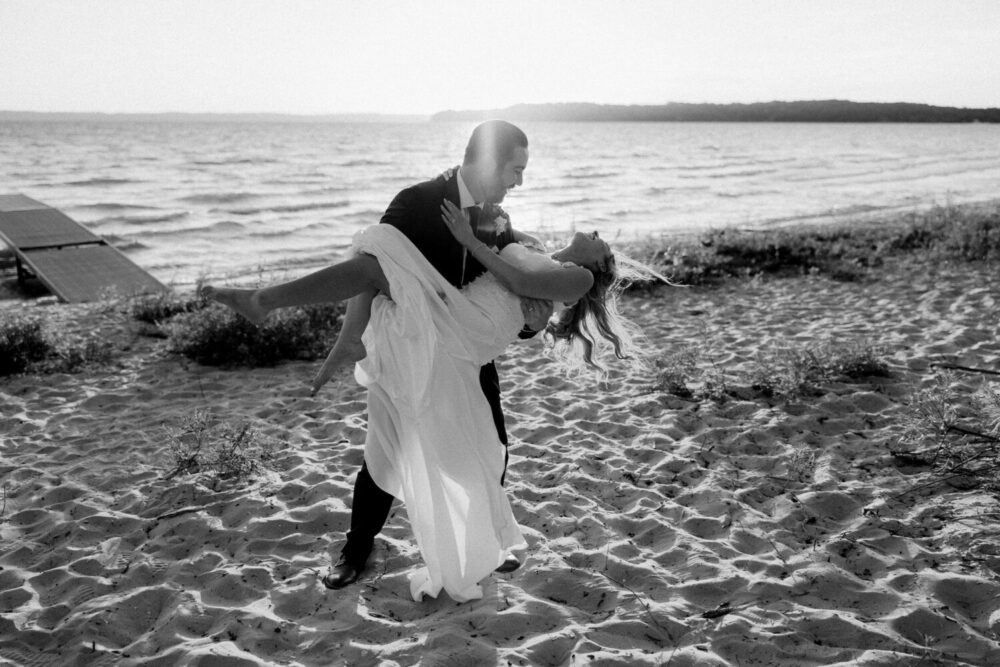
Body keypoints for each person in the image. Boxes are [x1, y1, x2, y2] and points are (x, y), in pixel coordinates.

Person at [204, 198, 644, 600]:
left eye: (601, 240)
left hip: (469, 333)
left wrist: (473, 241)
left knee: (490, 453)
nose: (597, 231)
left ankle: (486, 545)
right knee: (377, 276)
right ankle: (356, 550)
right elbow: (487, 267)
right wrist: (475, 230)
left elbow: (519, 279)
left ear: (600, 263)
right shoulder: (533, 243)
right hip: (455, 319)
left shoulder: (580, 278)